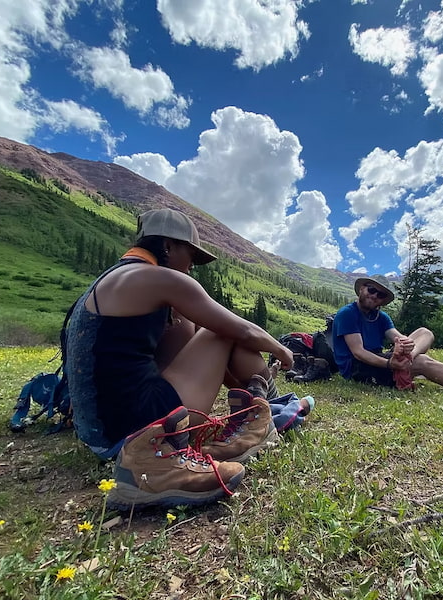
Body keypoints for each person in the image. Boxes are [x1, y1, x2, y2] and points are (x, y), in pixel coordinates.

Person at [65, 208, 294, 510]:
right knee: (222, 332)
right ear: (168, 246)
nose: (191, 268)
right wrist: (282, 351)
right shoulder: (163, 280)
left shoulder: (113, 278)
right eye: (190, 257)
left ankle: (260, 406)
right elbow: (243, 330)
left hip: (101, 436)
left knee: (188, 323)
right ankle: (268, 407)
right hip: (144, 434)